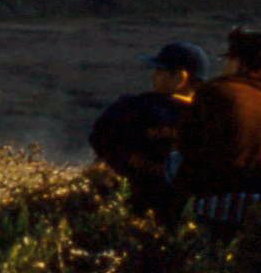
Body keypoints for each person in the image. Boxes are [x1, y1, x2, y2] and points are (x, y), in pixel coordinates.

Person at [176, 27, 261, 231]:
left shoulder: (215, 90)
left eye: (227, 59)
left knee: (173, 161)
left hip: (218, 199)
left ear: (238, 61)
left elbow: (187, 143)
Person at [88, 41, 206, 222]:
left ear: (180, 78)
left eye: (160, 70)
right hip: (186, 215)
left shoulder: (134, 107)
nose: (153, 76)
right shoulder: (210, 117)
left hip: (127, 206)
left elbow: (98, 138)